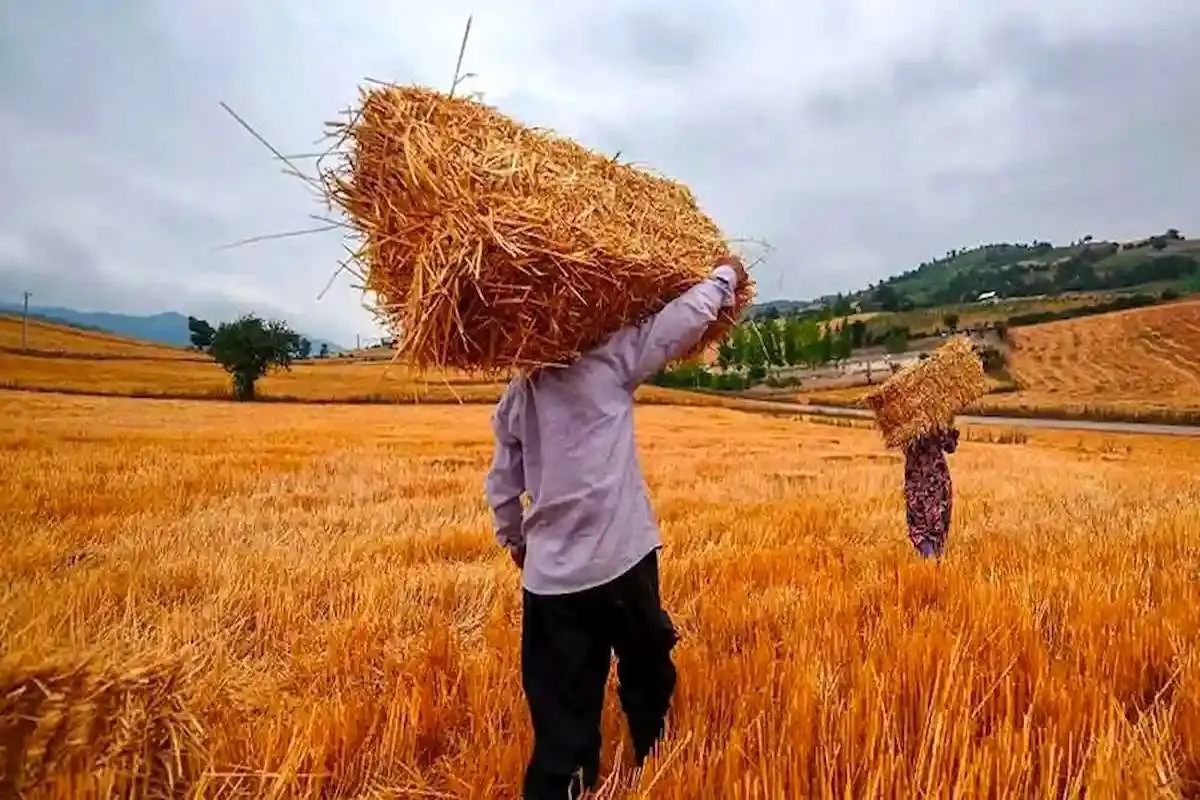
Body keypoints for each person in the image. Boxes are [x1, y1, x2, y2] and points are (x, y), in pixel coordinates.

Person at [484, 256, 747, 800]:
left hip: (552, 583)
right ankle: (659, 761)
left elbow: (502, 487)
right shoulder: (609, 361)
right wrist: (725, 277)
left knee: (562, 716)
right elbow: (680, 321)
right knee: (648, 669)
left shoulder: (518, 394)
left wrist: (515, 542)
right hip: (623, 562)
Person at [903, 426, 959, 559]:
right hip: (933, 477)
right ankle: (933, 563)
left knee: (922, 526)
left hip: (920, 478)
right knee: (934, 524)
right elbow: (950, 446)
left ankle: (931, 564)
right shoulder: (935, 415)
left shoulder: (905, 416)